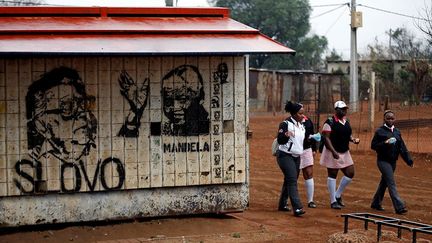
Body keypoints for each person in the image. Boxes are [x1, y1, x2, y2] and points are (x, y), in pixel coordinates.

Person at [370, 110, 413, 214]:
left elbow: (402, 147)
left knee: (384, 183)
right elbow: (373, 146)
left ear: (395, 119)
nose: (390, 120)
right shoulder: (380, 131)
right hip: (382, 161)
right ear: (384, 119)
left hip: (393, 162)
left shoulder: (397, 132)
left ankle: (376, 203)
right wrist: (385, 143)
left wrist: (408, 160)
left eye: (392, 118)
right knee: (391, 182)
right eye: (388, 118)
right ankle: (399, 207)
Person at [319, 101, 360, 209]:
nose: (344, 111)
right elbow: (326, 138)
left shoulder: (346, 120)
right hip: (333, 151)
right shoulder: (330, 121)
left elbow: (347, 134)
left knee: (350, 172)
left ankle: (337, 195)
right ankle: (333, 201)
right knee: (333, 175)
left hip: (344, 151)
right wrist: (333, 152)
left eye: (345, 109)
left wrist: (353, 139)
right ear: (336, 110)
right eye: (342, 109)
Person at [161, 65, 210, 136]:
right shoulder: (170, 129)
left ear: (198, 99)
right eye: (168, 101)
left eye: (182, 100)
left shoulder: (203, 128)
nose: (175, 107)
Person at [276, 101, 306, 217]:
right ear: (293, 114)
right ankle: (297, 208)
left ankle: (282, 204)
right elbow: (280, 140)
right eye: (300, 113)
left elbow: (300, 140)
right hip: (285, 155)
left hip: (296, 156)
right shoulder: (285, 124)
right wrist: (285, 135)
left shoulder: (301, 125)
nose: (302, 115)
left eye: (303, 113)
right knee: (292, 180)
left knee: (289, 180)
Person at [300, 115, 320, 208]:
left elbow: (312, 135)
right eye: (300, 112)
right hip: (294, 151)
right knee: (292, 176)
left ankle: (310, 200)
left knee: (309, 173)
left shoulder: (308, 121)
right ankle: (285, 200)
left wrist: (314, 149)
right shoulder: (289, 122)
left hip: (307, 149)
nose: (302, 114)